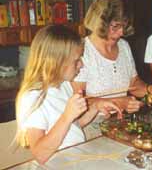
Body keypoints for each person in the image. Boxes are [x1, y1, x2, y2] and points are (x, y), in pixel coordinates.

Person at [15, 25, 122, 164]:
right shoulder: (33, 97)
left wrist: (95, 108)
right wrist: (67, 116)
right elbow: (40, 154)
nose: (81, 65)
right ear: (56, 62)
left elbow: (73, 128)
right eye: (76, 60)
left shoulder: (63, 85)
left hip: (75, 160)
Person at [71, 0, 152, 115]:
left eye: (124, 26)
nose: (121, 32)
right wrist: (118, 102)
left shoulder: (123, 46)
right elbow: (79, 100)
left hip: (119, 123)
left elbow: (134, 84)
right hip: (90, 125)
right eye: (115, 26)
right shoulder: (81, 51)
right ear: (100, 22)